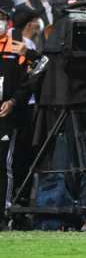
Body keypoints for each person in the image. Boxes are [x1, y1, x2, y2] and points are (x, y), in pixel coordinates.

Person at [0, 11, 29, 227]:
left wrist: (13, 102)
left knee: (5, 164)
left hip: (7, 115)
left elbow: (26, 84)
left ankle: (6, 210)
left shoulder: (18, 46)